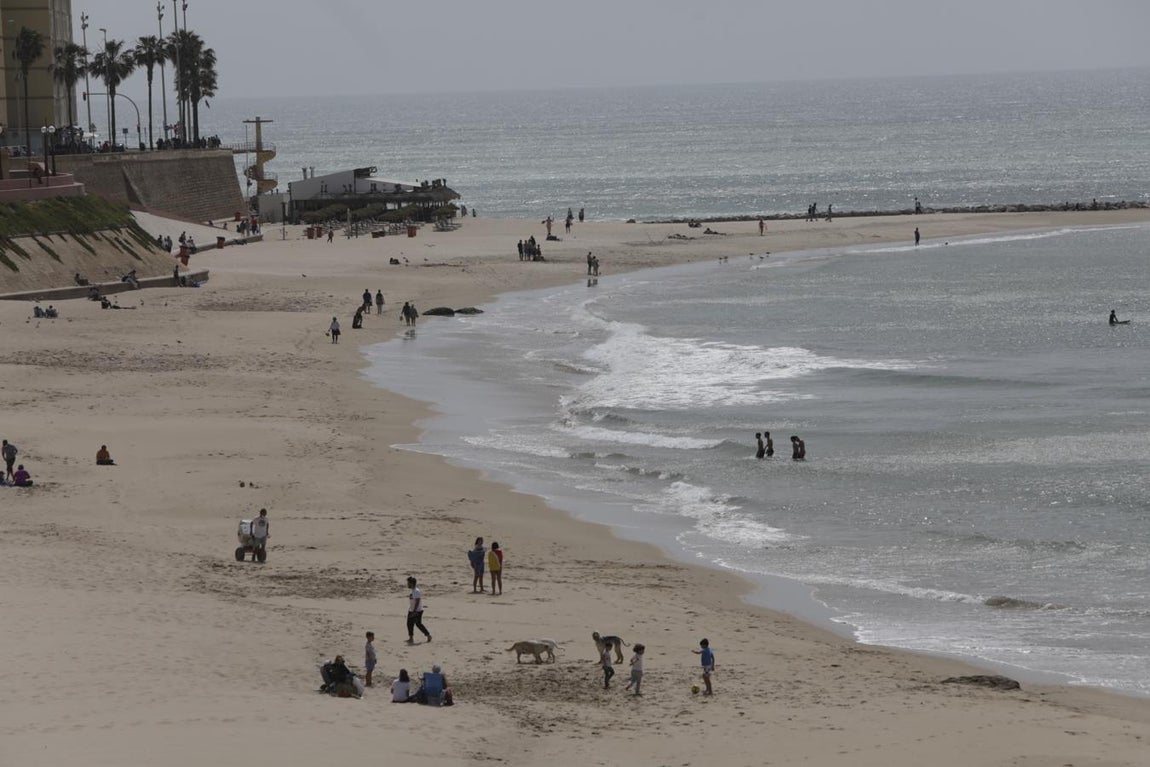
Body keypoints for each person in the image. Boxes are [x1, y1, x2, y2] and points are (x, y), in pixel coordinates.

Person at [406, 576, 432, 644]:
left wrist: (414, 611)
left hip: (417, 611)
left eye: (408, 583)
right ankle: (411, 638)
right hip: (411, 610)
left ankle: (428, 635)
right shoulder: (412, 591)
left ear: (411, 583)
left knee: (418, 624)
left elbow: (417, 601)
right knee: (409, 624)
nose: (407, 584)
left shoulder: (416, 591)